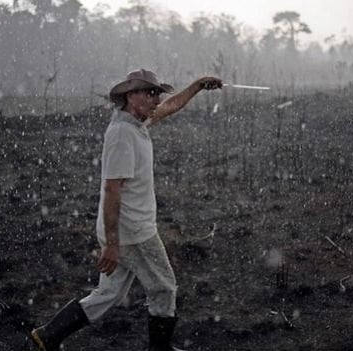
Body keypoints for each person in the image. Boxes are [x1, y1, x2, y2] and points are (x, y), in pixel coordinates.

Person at [30, 69, 222, 351]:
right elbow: (112, 191)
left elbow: (170, 107)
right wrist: (112, 244)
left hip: (124, 231)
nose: (157, 99)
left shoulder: (136, 123)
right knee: (164, 287)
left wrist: (196, 86)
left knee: (108, 293)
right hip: (133, 232)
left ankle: (47, 336)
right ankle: (159, 349)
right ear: (131, 96)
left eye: (157, 93)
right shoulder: (122, 135)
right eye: (150, 93)